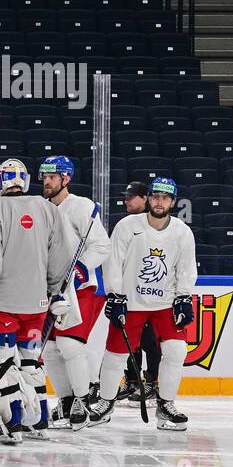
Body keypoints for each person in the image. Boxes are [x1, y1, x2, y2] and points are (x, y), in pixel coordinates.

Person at [0, 159, 75, 444]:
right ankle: (40, 421)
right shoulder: (47, 208)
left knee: (0, 362)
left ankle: (14, 423)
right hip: (37, 304)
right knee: (31, 362)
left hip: (0, 303)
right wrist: (54, 290)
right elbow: (61, 256)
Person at [85, 177, 196, 430]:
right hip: (131, 302)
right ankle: (106, 402)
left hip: (165, 303)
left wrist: (183, 296)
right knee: (115, 355)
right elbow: (113, 262)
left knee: (177, 352)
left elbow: (186, 268)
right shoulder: (127, 226)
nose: (159, 202)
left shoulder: (182, 232)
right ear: (149, 199)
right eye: (156, 197)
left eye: (165, 198)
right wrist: (116, 294)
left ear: (172, 202)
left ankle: (165, 405)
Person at [38, 156, 111, 429]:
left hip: (82, 289)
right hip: (52, 288)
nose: (46, 181)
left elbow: (102, 246)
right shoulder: (40, 209)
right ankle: (67, 401)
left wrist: (80, 269)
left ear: (65, 179)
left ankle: (83, 399)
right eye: (44, 176)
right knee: (54, 349)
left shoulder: (81, 207)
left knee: (70, 344)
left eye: (52, 177)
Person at [121, 180, 161, 401]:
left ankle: (152, 382)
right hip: (129, 293)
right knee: (129, 339)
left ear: (145, 198)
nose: (126, 200)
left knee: (149, 341)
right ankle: (133, 380)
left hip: (151, 294)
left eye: (130, 196)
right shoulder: (127, 224)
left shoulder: (155, 224)